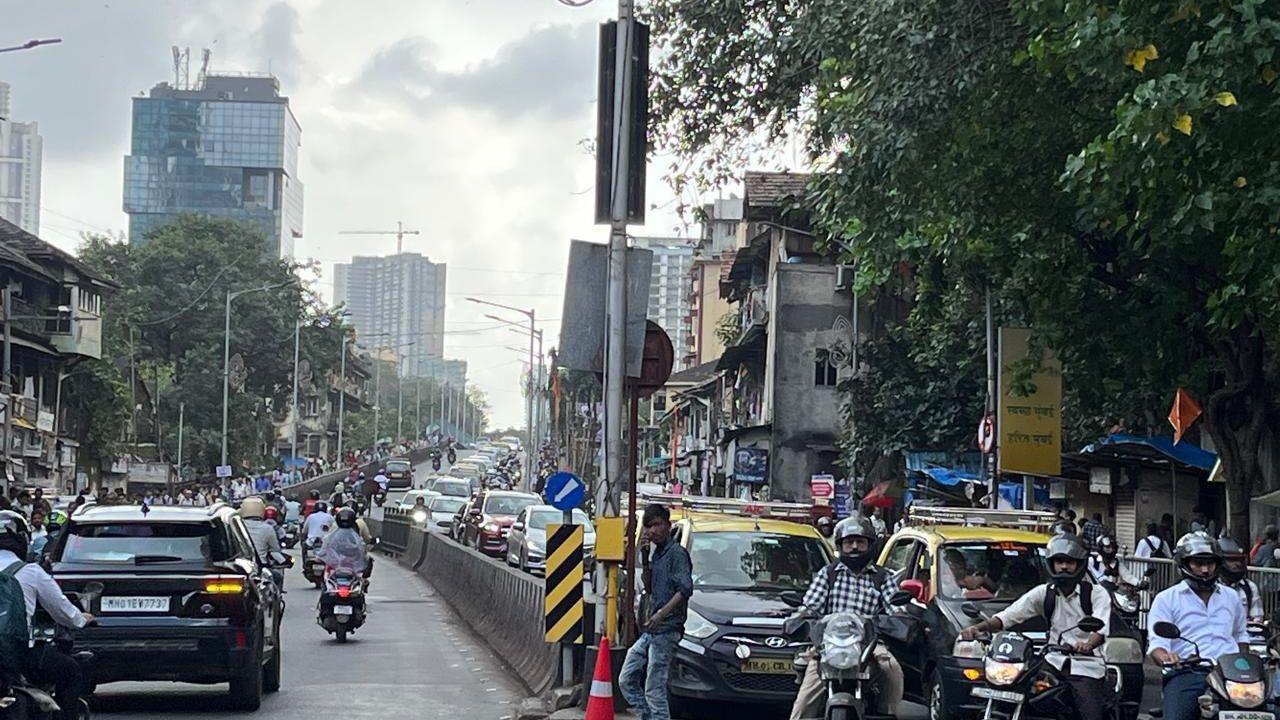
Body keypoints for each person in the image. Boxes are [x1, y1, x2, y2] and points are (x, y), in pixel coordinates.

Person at [961, 534, 1111, 720]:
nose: (1063, 566)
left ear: (1079, 564)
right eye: (1059, 561)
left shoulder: (1096, 594)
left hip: (1086, 666)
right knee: (1023, 692)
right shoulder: (1044, 593)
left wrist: (1087, 644)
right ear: (1051, 563)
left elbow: (1101, 629)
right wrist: (979, 628)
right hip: (1051, 662)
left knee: (1090, 715)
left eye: (1069, 562)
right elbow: (1009, 616)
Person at [789, 516, 903, 720]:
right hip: (829, 643)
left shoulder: (882, 577)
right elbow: (810, 605)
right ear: (841, 546)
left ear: (870, 545)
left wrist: (904, 619)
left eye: (860, 542)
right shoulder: (828, 574)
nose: (855, 547)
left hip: (869, 643)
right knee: (804, 699)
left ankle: (887, 714)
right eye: (849, 542)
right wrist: (798, 618)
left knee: (892, 669)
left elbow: (897, 608)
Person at [0, 511, 94, 720]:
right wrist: (82, 619)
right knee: (70, 672)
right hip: (18, 656)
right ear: (22, 539)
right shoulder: (31, 572)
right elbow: (63, 611)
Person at [1148, 533, 1249, 720]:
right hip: (1188, 673)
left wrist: (1245, 662)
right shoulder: (1166, 599)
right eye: (1198, 563)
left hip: (1230, 675)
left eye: (1210, 563)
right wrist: (1168, 657)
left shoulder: (1231, 597)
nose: (1205, 570)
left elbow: (1240, 635)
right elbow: (1157, 646)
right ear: (1184, 564)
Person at [619, 504, 693, 720]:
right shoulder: (658, 554)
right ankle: (647, 716)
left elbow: (685, 589)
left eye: (657, 525)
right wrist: (644, 556)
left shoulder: (677, 554)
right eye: (648, 527)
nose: (652, 531)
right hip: (651, 631)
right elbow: (649, 587)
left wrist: (660, 614)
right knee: (627, 679)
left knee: (654, 688)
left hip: (667, 630)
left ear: (668, 526)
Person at [239, 498, 285, 587]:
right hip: (260, 568)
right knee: (277, 577)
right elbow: (275, 549)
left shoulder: (237, 526)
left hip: (241, 568)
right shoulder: (267, 528)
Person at [1218, 537, 1264, 623]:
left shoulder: (1250, 587)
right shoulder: (1210, 588)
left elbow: (1257, 619)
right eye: (1232, 560)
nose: (1238, 564)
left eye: (1240, 560)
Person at [316, 507, 369, 578]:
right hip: (347, 568)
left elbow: (325, 547)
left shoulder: (332, 534)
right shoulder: (356, 536)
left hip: (342, 567)